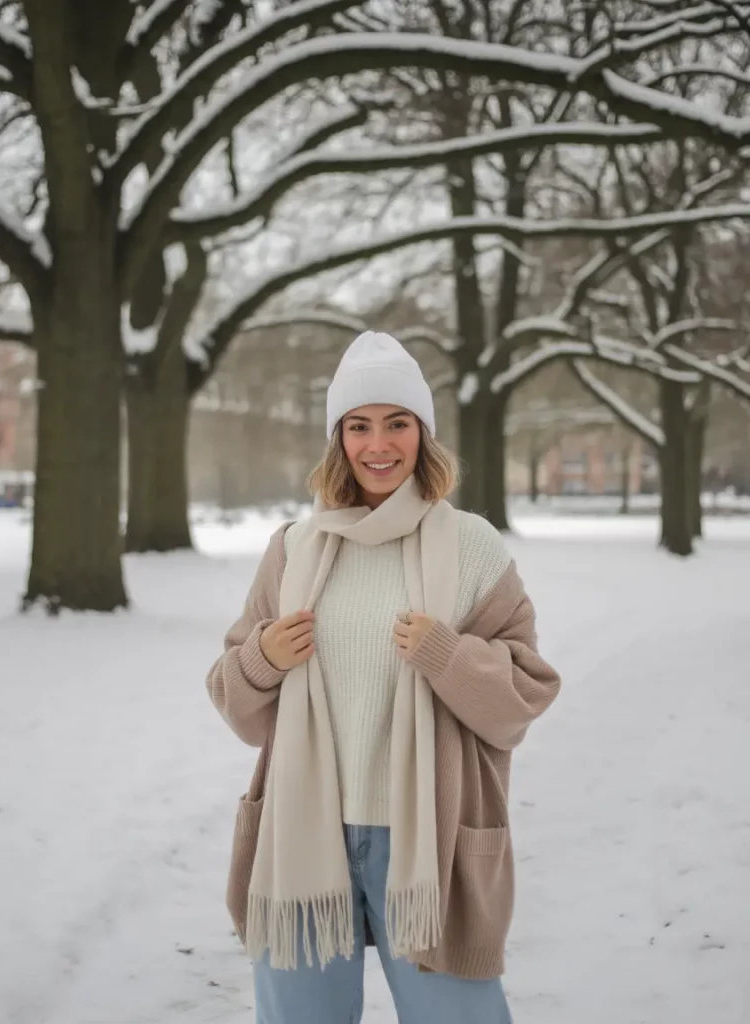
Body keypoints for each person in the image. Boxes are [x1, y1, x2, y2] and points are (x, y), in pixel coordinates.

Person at [206, 331, 561, 1024]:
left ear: (423, 435)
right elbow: (236, 703)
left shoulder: (472, 547)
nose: (378, 445)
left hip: (427, 839)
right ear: (337, 439)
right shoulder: (293, 550)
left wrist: (447, 654)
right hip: (304, 835)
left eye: (397, 424)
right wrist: (263, 660)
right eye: (359, 426)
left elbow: (524, 695)